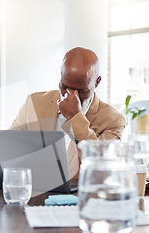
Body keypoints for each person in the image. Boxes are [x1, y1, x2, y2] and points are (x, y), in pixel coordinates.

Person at [10, 47, 126, 177]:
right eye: (64, 87)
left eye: (81, 91)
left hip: (78, 194)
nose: (70, 95)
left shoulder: (113, 120)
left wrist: (76, 118)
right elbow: (8, 147)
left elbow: (102, 167)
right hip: (34, 188)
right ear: (60, 74)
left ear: (97, 82)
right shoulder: (34, 102)